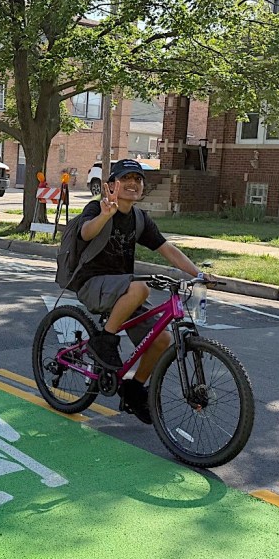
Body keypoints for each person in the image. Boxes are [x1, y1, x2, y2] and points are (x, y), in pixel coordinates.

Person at [74, 159, 209, 418]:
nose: (133, 184)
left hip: (121, 290)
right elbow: (86, 234)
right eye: (126, 179)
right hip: (91, 283)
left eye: (138, 179)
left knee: (163, 340)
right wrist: (105, 215)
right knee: (141, 287)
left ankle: (134, 390)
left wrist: (199, 274)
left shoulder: (138, 218)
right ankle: (105, 341)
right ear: (111, 184)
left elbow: (167, 249)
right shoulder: (97, 208)